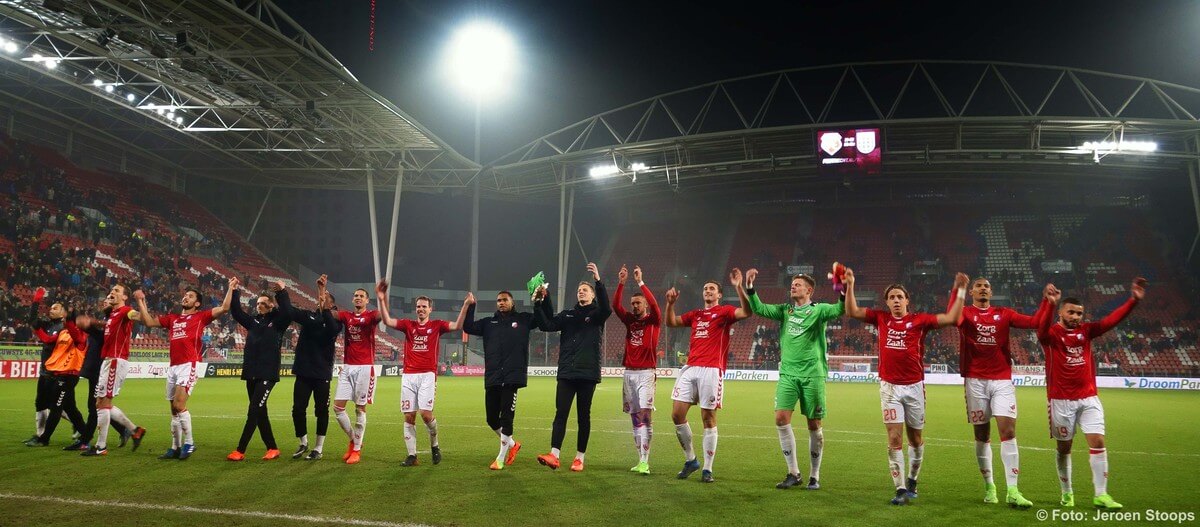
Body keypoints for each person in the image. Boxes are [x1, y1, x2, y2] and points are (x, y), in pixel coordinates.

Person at [844, 267, 968, 505]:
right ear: (887, 303)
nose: (896, 300)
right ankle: (900, 488)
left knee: (916, 439)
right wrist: (850, 284)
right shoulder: (881, 318)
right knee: (893, 438)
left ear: (907, 301)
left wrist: (960, 290)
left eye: (900, 296)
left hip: (914, 388)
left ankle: (912, 478)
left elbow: (952, 319)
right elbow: (852, 310)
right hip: (889, 388)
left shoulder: (920, 320)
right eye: (892, 297)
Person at [1037, 278, 1145, 511]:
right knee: (1064, 449)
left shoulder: (1087, 331)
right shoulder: (1052, 334)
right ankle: (1067, 493)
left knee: (1098, 442)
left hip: (1088, 398)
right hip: (1061, 400)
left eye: (1079, 313)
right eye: (1071, 312)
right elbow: (1041, 330)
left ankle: (1101, 494)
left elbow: (1111, 321)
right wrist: (1050, 303)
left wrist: (1133, 301)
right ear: (1061, 313)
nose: (1076, 317)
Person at [952, 278, 1049, 507]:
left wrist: (1047, 302)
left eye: (987, 286)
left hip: (1002, 380)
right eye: (979, 286)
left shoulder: (1004, 313)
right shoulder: (965, 312)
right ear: (973, 292)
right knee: (982, 436)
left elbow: (1035, 321)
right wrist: (959, 289)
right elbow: (951, 316)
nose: (983, 288)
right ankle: (990, 486)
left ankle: (1013, 490)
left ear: (991, 291)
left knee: (1008, 431)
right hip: (975, 380)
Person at [743, 269, 843, 490]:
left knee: (814, 424)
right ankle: (793, 472)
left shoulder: (819, 310)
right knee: (780, 418)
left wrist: (842, 288)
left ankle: (814, 475)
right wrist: (750, 287)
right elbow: (758, 308)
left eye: (798, 284)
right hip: (788, 374)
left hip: (812, 375)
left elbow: (840, 309)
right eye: (792, 284)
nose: (793, 287)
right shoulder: (785, 311)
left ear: (809, 290)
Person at [663, 269, 752, 483]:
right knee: (677, 414)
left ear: (719, 294)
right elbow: (671, 322)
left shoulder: (725, 312)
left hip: (712, 369)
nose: (707, 291)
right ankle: (691, 459)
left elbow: (747, 312)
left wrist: (739, 287)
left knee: (708, 418)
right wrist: (670, 304)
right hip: (691, 367)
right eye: (705, 289)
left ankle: (707, 469)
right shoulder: (696, 315)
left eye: (712, 289)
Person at [134, 278, 235, 460]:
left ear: (197, 303)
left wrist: (230, 288)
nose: (185, 297)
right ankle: (174, 447)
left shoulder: (201, 316)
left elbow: (225, 308)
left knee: (179, 405)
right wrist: (140, 301)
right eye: (185, 295)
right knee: (173, 410)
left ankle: (190, 443)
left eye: (190, 296)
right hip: (173, 366)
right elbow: (148, 322)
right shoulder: (172, 318)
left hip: (189, 364)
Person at [377, 282, 471, 466]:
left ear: (430, 309)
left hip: (427, 375)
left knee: (426, 415)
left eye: (424, 307)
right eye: (418, 306)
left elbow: (458, 325)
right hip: (409, 375)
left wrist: (465, 305)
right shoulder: (408, 325)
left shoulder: (437, 325)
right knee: (409, 416)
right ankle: (412, 456)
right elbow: (387, 321)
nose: (420, 309)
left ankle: (434, 444)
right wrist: (381, 299)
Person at [534, 262, 612, 472]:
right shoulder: (568, 314)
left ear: (593, 295)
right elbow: (547, 325)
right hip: (567, 372)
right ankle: (554, 454)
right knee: (561, 413)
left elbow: (607, 309)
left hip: (587, 374)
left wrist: (598, 281)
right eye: (579, 290)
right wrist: (539, 303)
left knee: (583, 416)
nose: (581, 293)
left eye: (585, 290)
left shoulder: (596, 315)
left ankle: (579, 457)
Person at [462, 289, 546, 470]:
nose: (501, 302)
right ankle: (513, 444)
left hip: (512, 376)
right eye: (499, 300)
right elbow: (468, 327)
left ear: (512, 302)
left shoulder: (523, 319)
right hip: (493, 376)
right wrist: (471, 306)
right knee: (492, 419)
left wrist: (539, 301)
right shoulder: (488, 323)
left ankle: (500, 457)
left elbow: (542, 320)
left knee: (506, 418)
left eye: (505, 300)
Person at [226, 281, 292, 461]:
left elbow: (288, 311)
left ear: (271, 304)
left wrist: (282, 292)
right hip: (251, 373)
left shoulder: (278, 322)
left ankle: (240, 450)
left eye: (263, 303)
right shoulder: (253, 321)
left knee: (254, 409)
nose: (259, 306)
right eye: (258, 303)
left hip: (267, 374)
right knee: (260, 412)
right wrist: (235, 291)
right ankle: (272, 448)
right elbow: (237, 312)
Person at [83, 283, 147, 457]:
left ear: (124, 297)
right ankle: (135, 430)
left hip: (116, 362)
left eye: (117, 291)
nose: (112, 292)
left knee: (103, 404)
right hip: (108, 361)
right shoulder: (113, 314)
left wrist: (140, 301)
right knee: (101, 404)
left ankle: (100, 446)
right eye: (111, 290)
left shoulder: (126, 310)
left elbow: (139, 317)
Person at [611, 265, 662, 474]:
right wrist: (621, 282)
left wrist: (641, 281)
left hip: (646, 374)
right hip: (629, 373)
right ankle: (639, 459)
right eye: (632, 303)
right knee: (634, 417)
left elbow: (655, 304)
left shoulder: (653, 320)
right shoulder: (629, 321)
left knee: (645, 415)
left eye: (638, 303)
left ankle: (645, 460)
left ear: (645, 306)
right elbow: (616, 306)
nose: (634, 306)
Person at [284, 274, 341, 460]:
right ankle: (303, 442)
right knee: (297, 409)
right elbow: (290, 312)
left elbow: (330, 327)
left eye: (325, 300)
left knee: (321, 411)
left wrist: (321, 292)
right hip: (303, 371)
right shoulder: (310, 316)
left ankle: (318, 448)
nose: (320, 301)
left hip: (322, 373)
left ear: (332, 306)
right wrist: (282, 293)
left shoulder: (336, 323)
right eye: (319, 299)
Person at [29, 299, 87, 447]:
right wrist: (37, 329)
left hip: (69, 376)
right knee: (70, 409)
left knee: (56, 407)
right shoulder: (63, 333)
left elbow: (72, 329)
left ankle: (44, 439)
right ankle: (86, 435)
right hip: (58, 374)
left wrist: (70, 315)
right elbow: (48, 340)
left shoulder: (80, 337)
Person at [334, 286, 381, 465]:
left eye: (362, 296)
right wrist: (321, 290)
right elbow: (327, 312)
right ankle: (354, 439)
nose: (358, 298)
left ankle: (357, 450)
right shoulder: (347, 316)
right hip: (347, 367)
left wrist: (383, 298)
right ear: (352, 300)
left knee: (359, 409)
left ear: (367, 300)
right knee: (338, 408)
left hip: (364, 367)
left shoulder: (371, 316)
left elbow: (382, 316)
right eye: (356, 296)